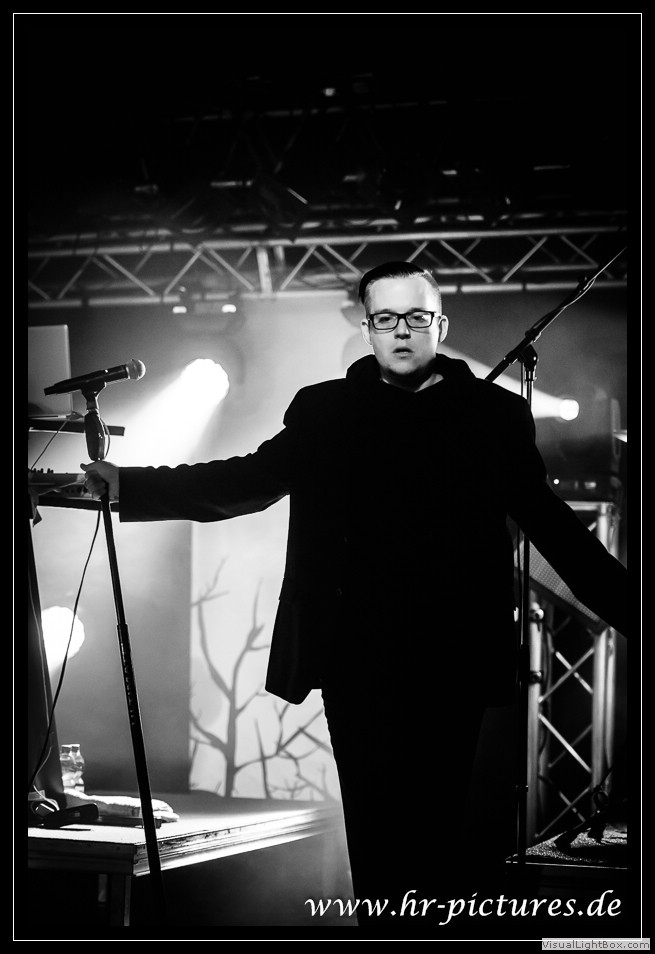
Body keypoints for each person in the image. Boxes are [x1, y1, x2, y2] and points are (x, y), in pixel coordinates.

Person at [82, 261, 628, 934]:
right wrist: (131, 485)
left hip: (453, 658)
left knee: (438, 839)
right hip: (355, 659)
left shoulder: (492, 415)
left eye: (416, 317)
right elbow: (246, 481)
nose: (401, 331)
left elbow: (550, 524)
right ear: (367, 328)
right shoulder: (326, 411)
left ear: (440, 325)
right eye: (386, 318)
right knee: (375, 838)